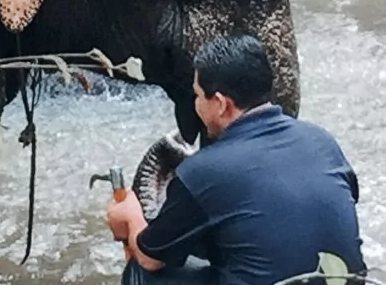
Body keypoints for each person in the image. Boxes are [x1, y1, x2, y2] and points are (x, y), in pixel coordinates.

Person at [106, 33, 366, 285]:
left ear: (221, 104)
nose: (195, 104)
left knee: (141, 274)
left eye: (197, 95)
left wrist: (130, 216)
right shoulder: (321, 140)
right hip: (341, 280)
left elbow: (150, 258)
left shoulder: (204, 171)